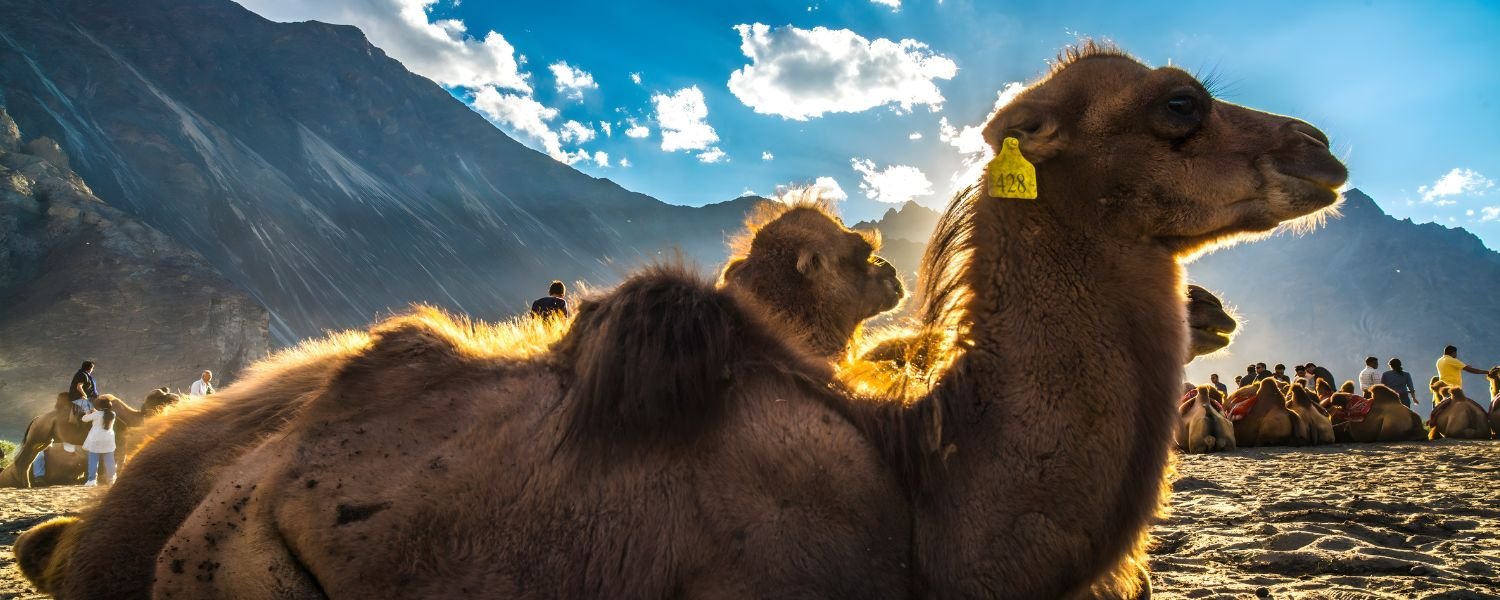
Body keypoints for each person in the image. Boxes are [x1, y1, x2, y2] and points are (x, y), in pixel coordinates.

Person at [80, 396, 117, 487]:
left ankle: (92, 480)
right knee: (110, 461)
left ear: (99, 406)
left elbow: (84, 419)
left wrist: (88, 412)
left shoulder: (97, 415)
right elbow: (102, 415)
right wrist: (94, 411)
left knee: (93, 460)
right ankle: (111, 479)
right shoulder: (112, 414)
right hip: (108, 440)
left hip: (95, 440)